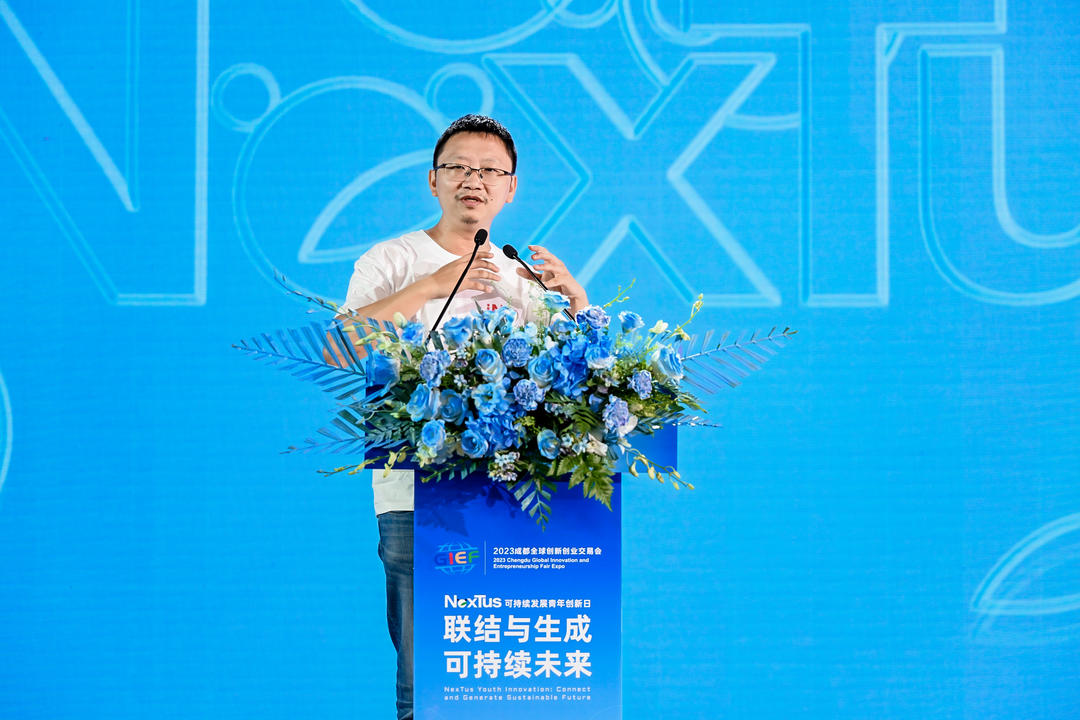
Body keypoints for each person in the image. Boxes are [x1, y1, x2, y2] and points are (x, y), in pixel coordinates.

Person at [335, 114, 587, 720]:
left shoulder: (525, 275)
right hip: (415, 493)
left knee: (509, 684)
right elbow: (341, 347)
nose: (474, 180)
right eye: (459, 167)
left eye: (490, 171)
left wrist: (577, 303)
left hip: (516, 495)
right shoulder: (391, 258)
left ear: (510, 189)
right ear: (433, 180)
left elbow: (578, 389)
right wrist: (433, 284)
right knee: (426, 686)